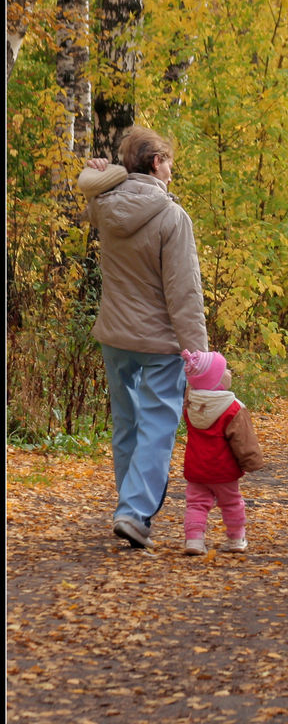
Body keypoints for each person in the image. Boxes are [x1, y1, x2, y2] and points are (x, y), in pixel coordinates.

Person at [77, 126, 208, 549]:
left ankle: (130, 509)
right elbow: (184, 292)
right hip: (158, 343)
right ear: (156, 163)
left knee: (127, 425)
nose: (172, 170)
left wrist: (96, 171)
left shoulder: (104, 206)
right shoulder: (172, 217)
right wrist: (199, 356)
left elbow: (89, 191)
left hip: (115, 336)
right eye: (169, 161)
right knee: (156, 427)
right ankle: (133, 512)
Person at [181, 349, 264, 555]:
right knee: (232, 502)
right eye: (223, 370)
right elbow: (244, 440)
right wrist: (252, 461)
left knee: (196, 504)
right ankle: (237, 538)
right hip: (224, 469)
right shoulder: (233, 408)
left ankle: (194, 540)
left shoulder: (190, 404)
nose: (228, 373)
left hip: (197, 468)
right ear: (215, 381)